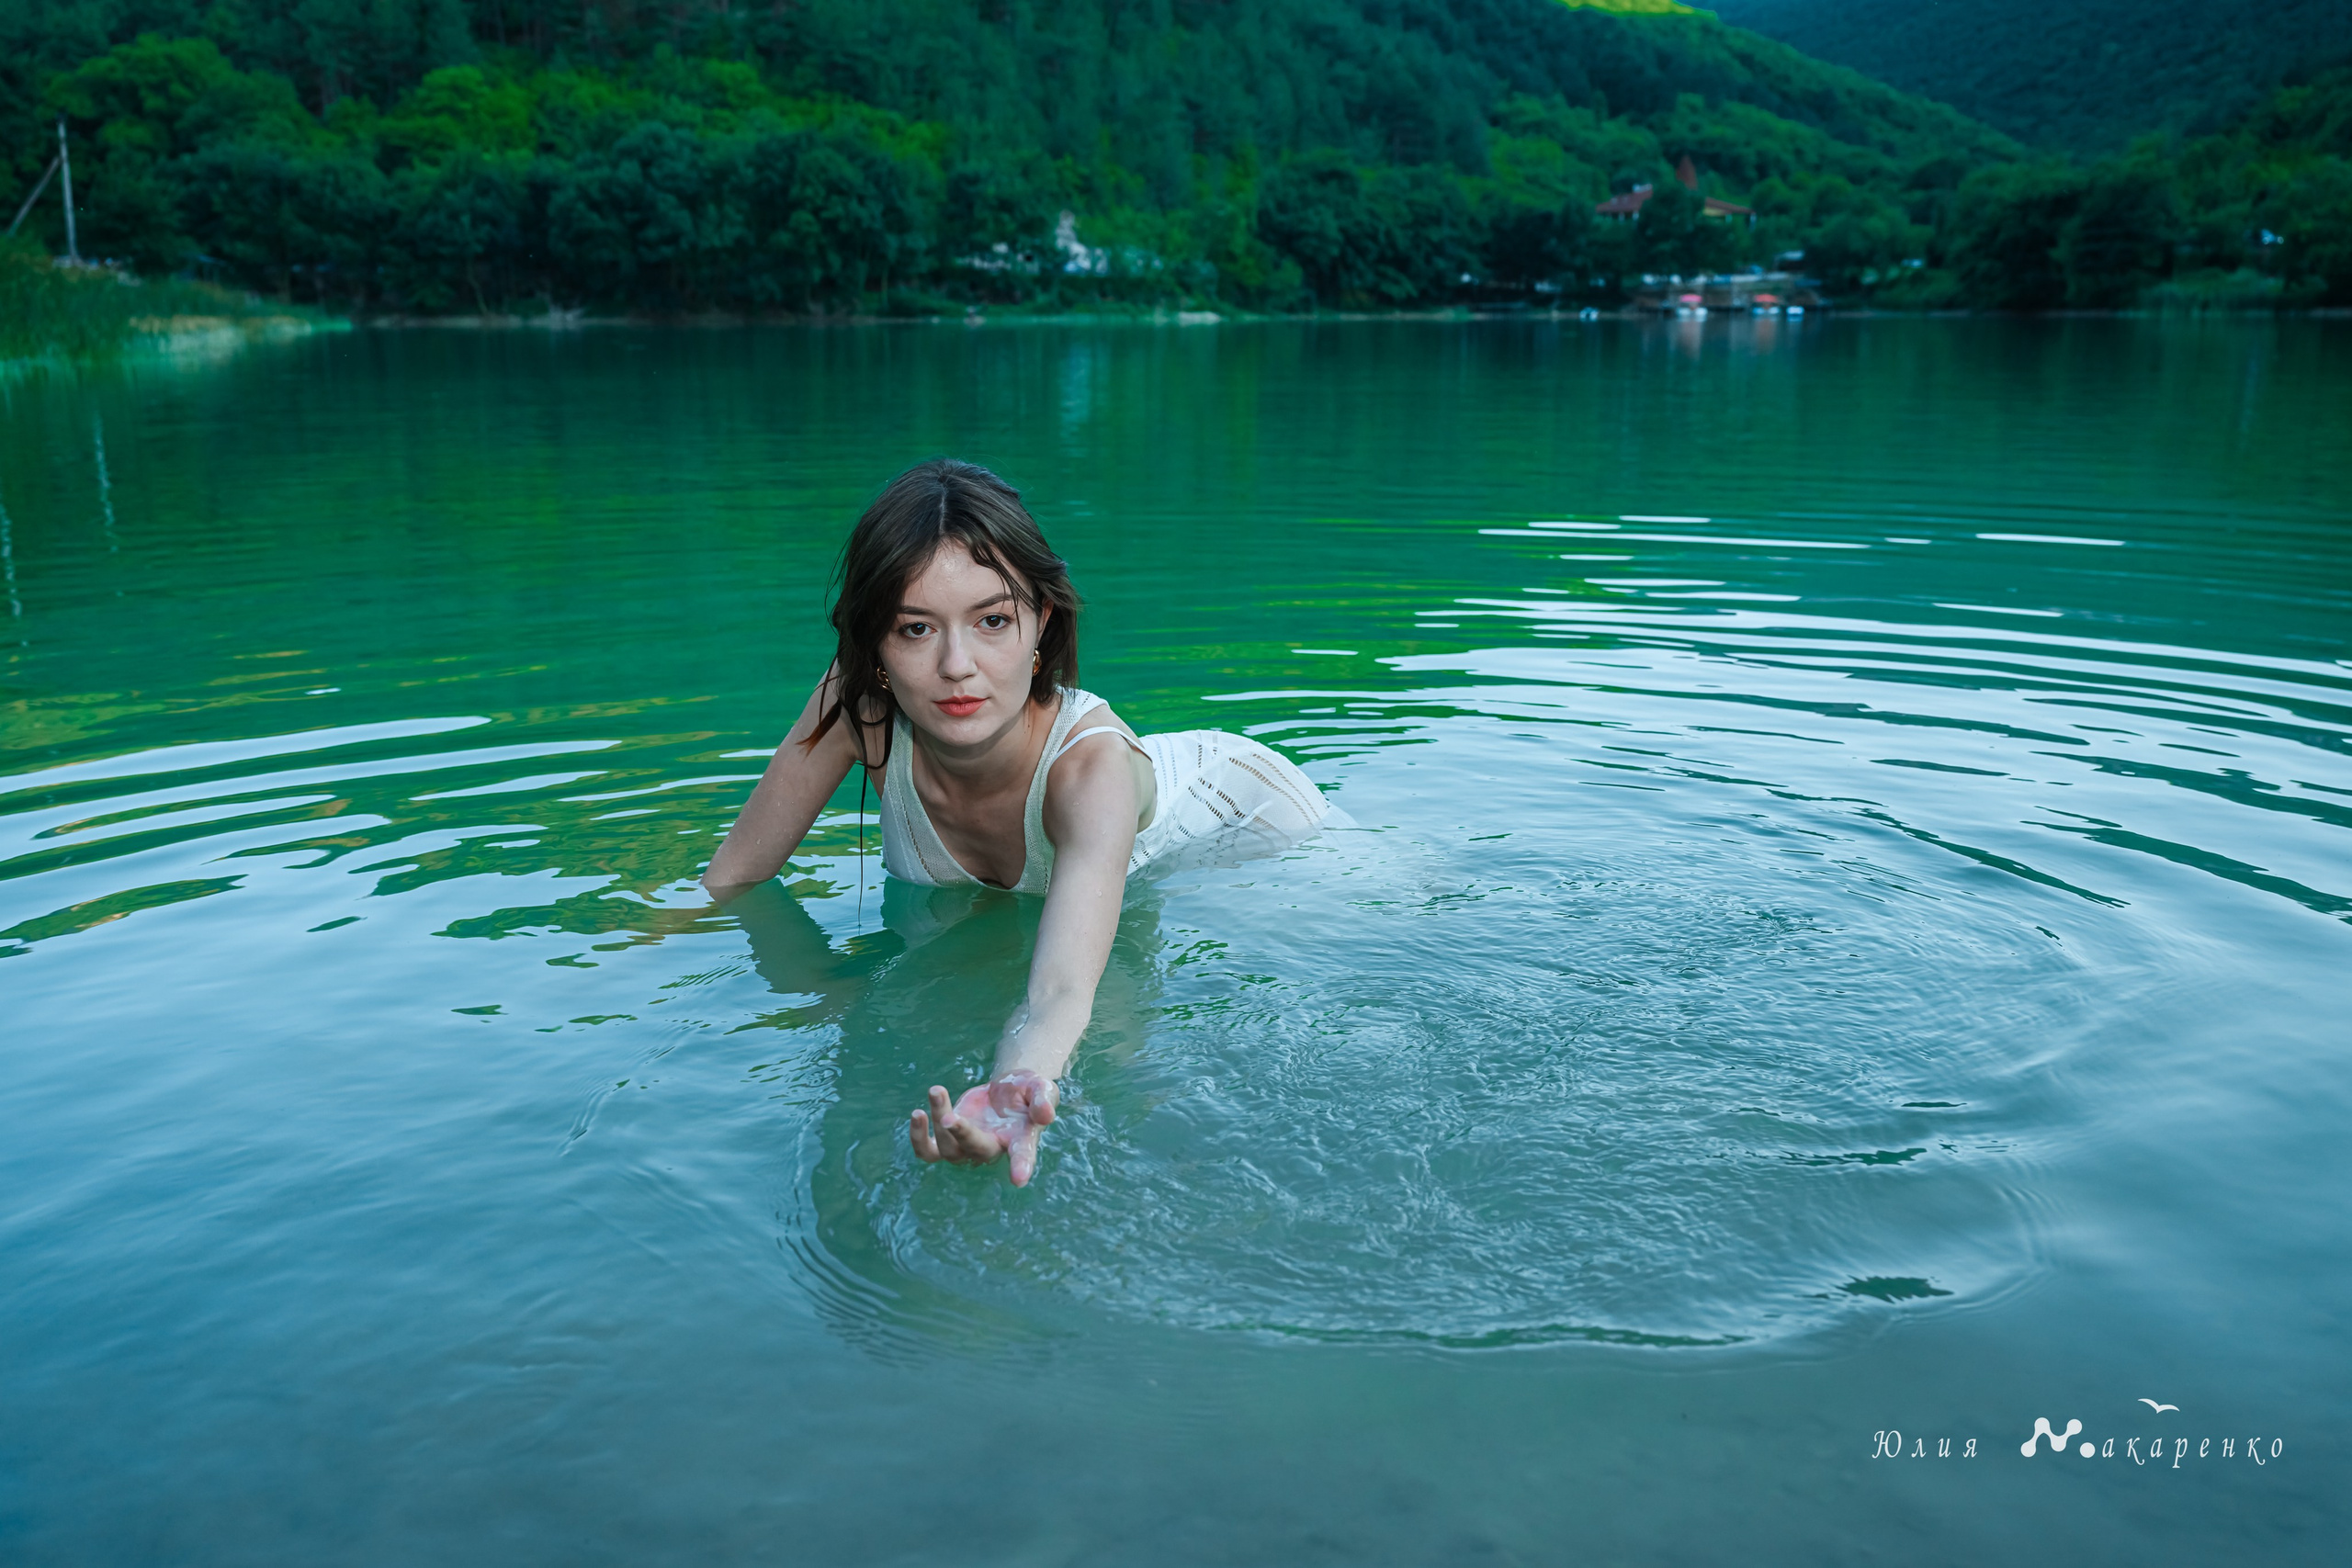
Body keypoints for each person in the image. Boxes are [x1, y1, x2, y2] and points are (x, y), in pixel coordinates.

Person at [703, 458, 1335, 1186]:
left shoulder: (1089, 776)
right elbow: (736, 876)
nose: (957, 665)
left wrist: (1014, 1088)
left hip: (1243, 814)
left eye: (993, 620)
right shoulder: (857, 706)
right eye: (914, 628)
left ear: (1041, 622)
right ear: (874, 646)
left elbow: (1059, 992)